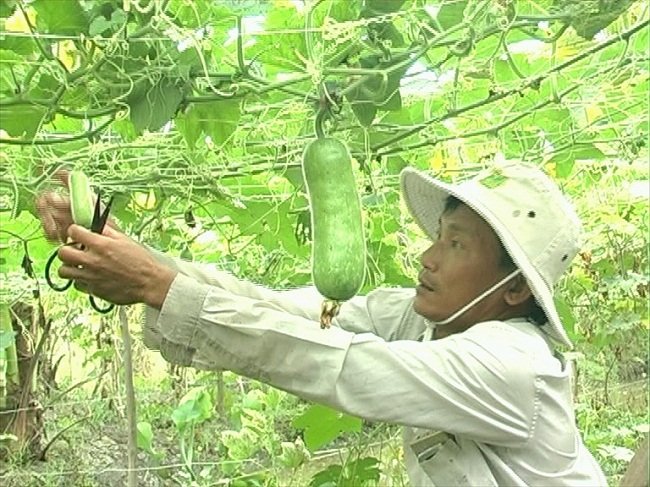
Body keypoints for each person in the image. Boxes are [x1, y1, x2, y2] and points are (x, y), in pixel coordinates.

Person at [36, 162, 607, 486]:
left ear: (514, 289)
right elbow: (286, 311)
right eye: (438, 236)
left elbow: (343, 366)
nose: (428, 258)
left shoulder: (510, 366)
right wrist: (132, 256)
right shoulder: (419, 317)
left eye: (456, 244)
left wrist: (153, 287)